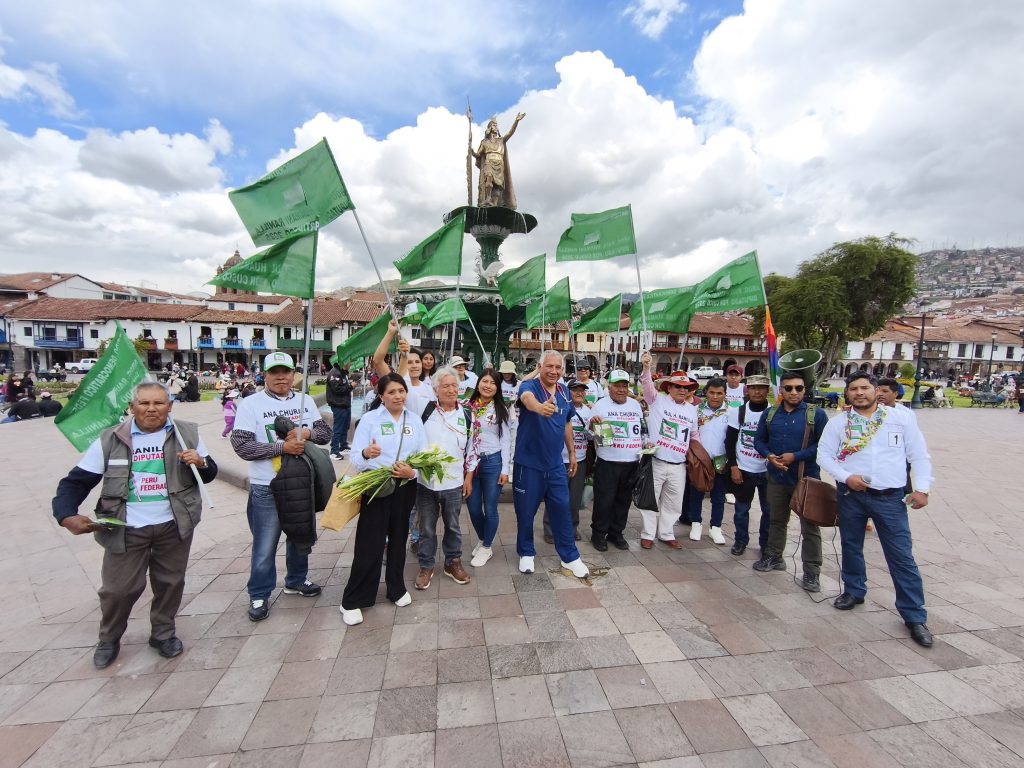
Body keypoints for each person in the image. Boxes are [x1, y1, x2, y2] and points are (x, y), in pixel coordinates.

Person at [52, 381, 217, 667]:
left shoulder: (185, 433)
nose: (151, 409)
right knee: (118, 589)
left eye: (159, 403)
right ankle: (109, 638)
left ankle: (163, 633)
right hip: (125, 527)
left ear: (169, 406)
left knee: (170, 582)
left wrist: (201, 463)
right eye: (144, 403)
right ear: (132, 407)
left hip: (174, 524)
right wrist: (66, 515)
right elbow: (76, 481)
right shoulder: (111, 439)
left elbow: (209, 474)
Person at [818, 372, 935, 647]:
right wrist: (846, 477)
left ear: (876, 391)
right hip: (851, 494)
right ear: (847, 394)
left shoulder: (901, 418)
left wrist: (923, 489)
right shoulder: (840, 423)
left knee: (901, 555)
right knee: (851, 545)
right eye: (853, 389)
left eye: (865, 388)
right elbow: (824, 454)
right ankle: (854, 591)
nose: (860, 393)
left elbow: (918, 454)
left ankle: (914, 615)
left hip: (890, 498)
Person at [231, 352, 330, 622]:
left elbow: (325, 433)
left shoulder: (305, 401)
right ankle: (259, 593)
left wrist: (307, 433)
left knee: (300, 536)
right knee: (265, 544)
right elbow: (242, 445)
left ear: (293, 374)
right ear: (264, 375)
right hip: (268, 486)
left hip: (300, 483)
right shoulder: (250, 404)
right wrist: (281, 447)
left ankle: (296, 579)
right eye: (274, 372)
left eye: (285, 372)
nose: (281, 377)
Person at [341, 373, 427, 625]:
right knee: (371, 542)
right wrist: (367, 453)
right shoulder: (369, 419)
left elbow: (423, 455)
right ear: (381, 396)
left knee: (399, 539)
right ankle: (353, 600)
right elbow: (355, 458)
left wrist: (412, 473)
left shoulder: (414, 421)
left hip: (405, 486)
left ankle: (396, 588)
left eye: (401, 391)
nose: (398, 396)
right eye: (391, 392)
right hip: (377, 486)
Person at [513, 350, 589, 578]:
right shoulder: (530, 387)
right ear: (540, 367)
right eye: (549, 366)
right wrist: (539, 408)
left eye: (558, 367)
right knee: (525, 512)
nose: (554, 371)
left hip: (556, 465)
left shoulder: (565, 392)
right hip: (528, 464)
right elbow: (526, 400)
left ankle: (570, 557)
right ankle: (526, 552)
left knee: (562, 510)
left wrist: (573, 453)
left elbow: (566, 423)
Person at [752, 371, 829, 591]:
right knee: (776, 519)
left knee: (810, 526)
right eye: (789, 388)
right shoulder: (770, 413)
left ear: (805, 390)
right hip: (777, 477)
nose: (794, 392)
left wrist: (795, 456)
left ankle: (811, 571)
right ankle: (774, 556)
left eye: (799, 388)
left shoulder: (816, 415)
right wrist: (769, 455)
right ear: (781, 391)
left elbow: (824, 447)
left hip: (806, 478)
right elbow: (759, 440)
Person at [414, 368, 472, 589]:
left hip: (454, 482)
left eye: (454, 385)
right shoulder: (425, 411)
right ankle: (426, 565)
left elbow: (472, 450)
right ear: (436, 390)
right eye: (445, 386)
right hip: (425, 482)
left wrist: (469, 477)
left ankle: (452, 562)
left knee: (453, 526)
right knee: (426, 527)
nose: (451, 390)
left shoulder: (466, 414)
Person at [639, 352, 699, 550]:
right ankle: (647, 534)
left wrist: (698, 455)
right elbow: (647, 387)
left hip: (679, 464)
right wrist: (647, 368)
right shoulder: (658, 401)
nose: (682, 390)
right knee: (651, 499)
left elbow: (694, 435)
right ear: (670, 387)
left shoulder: (691, 410)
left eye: (686, 387)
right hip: (657, 460)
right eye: (678, 386)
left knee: (673, 502)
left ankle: (666, 533)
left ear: (690, 390)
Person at [589, 368, 646, 552]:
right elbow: (591, 435)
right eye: (617, 386)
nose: (621, 390)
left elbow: (641, 430)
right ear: (609, 387)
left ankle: (616, 532)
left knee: (623, 501)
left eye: (624, 386)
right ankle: (598, 534)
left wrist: (646, 443)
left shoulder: (635, 405)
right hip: (608, 462)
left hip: (631, 462)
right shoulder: (600, 405)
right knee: (604, 501)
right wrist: (593, 426)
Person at [466, 368, 512, 565]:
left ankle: (486, 547)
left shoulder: (501, 409)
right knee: (473, 507)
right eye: (485, 381)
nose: (488, 386)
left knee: (490, 508)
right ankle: (485, 539)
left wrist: (505, 470)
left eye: (493, 383)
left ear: (497, 387)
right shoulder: (466, 407)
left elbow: (507, 440)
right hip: (470, 464)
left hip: (493, 462)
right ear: (478, 384)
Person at [726, 375, 772, 556]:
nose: (757, 391)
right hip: (744, 468)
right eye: (753, 388)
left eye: (761, 387)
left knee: (768, 510)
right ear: (747, 390)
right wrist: (733, 466)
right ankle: (740, 540)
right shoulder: (738, 411)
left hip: (767, 470)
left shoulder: (773, 412)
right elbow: (729, 441)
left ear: (767, 390)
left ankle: (765, 543)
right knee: (741, 509)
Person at [543, 378, 590, 544]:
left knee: (574, 498)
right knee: (554, 496)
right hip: (558, 460)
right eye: (575, 390)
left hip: (580, 460)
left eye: (582, 390)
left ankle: (572, 528)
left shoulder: (589, 412)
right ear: (567, 392)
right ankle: (549, 529)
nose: (579, 393)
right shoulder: (559, 408)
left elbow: (592, 436)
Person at [688, 377, 730, 544]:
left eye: (719, 393)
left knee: (718, 497)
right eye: (711, 392)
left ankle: (715, 528)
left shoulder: (732, 413)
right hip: (700, 461)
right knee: (696, 493)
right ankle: (696, 524)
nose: (715, 396)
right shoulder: (696, 410)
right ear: (705, 392)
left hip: (721, 461)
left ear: (725, 394)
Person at [471, 112, 525, 209]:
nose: (495, 127)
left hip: (500, 163)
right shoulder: (484, 142)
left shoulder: (501, 140)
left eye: (496, 125)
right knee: (488, 178)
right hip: (488, 162)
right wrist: (472, 152)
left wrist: (516, 121)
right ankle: (487, 198)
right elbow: (478, 155)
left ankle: (495, 203)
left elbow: (510, 133)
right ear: (489, 128)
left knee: (498, 186)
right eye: (494, 125)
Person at [326, 359, 353, 459]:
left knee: (345, 426)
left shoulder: (343, 373)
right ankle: (334, 451)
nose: (350, 364)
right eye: (349, 362)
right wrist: (351, 386)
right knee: (338, 428)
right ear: (344, 362)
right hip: (338, 404)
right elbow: (337, 389)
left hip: (345, 404)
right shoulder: (334, 373)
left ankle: (343, 445)